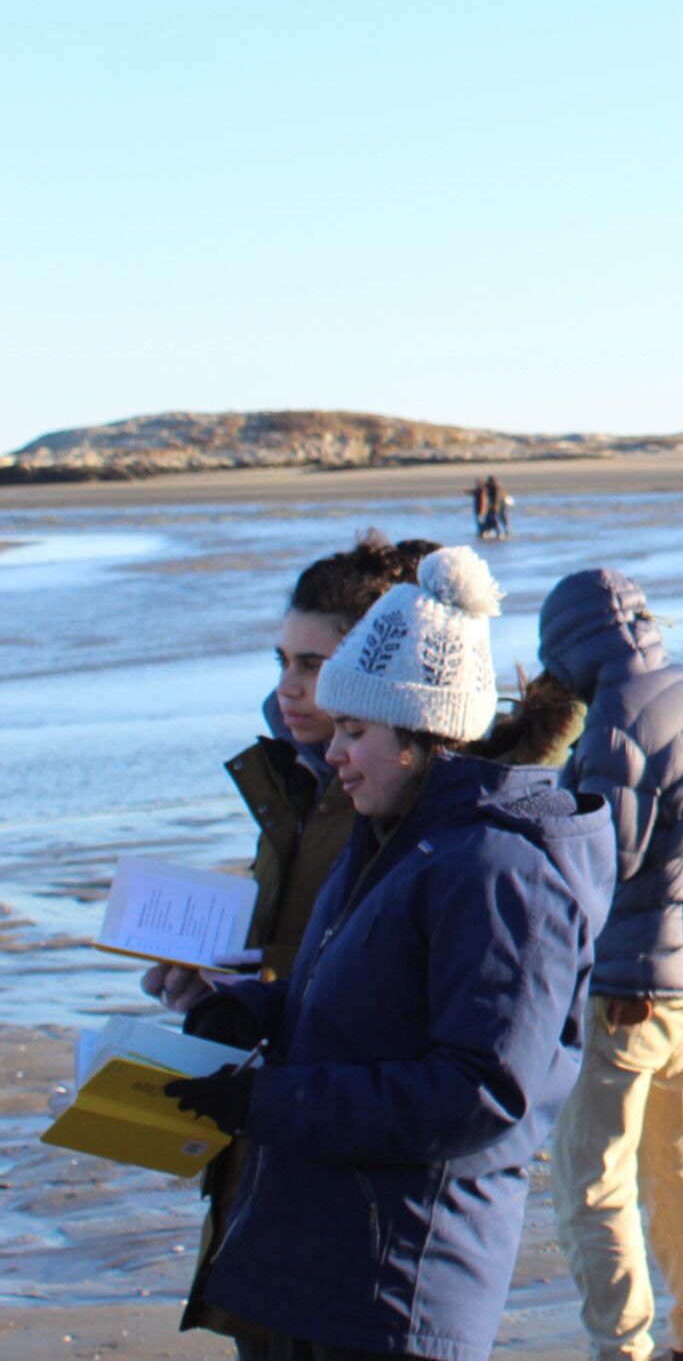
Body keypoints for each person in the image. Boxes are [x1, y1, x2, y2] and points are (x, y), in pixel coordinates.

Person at [166, 547, 614, 1361]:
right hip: (313, 1260)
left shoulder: (498, 869)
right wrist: (247, 1009)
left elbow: (479, 1090)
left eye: (355, 730)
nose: (334, 752)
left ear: (423, 736)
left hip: (399, 1281)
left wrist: (266, 1103)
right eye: (337, 727)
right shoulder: (387, 836)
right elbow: (355, 997)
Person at [142, 532, 438, 1346]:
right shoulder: (298, 780)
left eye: (312, 665)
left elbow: (393, 997)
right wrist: (210, 979)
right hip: (270, 1149)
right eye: (284, 660)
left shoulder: (394, 802)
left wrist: (255, 989)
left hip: (344, 1179)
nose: (288, 688)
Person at [539, 569, 683, 1361]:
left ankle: (620, 1346)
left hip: (631, 986)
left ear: (567, 646)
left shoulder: (618, 721)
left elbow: (602, 862)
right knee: (678, 1145)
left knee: (590, 1175)